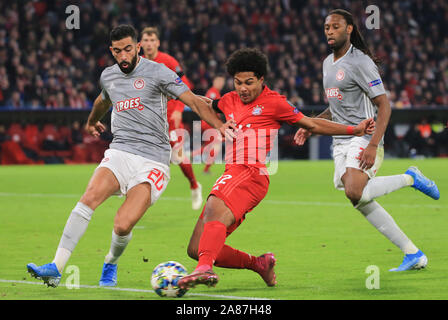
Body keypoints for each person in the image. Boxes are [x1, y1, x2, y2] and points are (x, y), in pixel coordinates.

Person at [26, 25, 234, 288]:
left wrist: (219, 125)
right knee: (88, 198)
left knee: (122, 225)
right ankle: (56, 267)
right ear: (111, 51)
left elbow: (193, 101)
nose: (123, 56)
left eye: (127, 49)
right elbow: (102, 101)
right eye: (117, 51)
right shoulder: (109, 76)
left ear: (137, 47)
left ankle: (110, 262)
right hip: (120, 151)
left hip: (154, 160)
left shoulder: (158, 71)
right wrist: (92, 122)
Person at [177, 48, 375, 290]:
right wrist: (177, 92)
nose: (243, 88)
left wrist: (354, 129)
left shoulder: (275, 103)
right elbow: (205, 103)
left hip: (252, 173)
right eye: (238, 82)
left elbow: (311, 123)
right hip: (235, 172)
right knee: (197, 248)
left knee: (213, 206)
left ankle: (204, 269)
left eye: (249, 82)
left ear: (261, 79)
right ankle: (259, 264)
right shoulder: (229, 100)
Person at [294, 9, 440, 272]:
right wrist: (311, 125)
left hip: (364, 134)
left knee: (354, 190)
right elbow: (336, 108)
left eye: (335, 27)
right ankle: (413, 253)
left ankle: (411, 178)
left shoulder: (360, 62)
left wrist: (373, 144)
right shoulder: (327, 64)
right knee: (357, 198)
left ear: (349, 29)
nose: (329, 31)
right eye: (327, 27)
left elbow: (384, 106)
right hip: (340, 140)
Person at [140, 27, 203, 210]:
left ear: (158, 43)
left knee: (177, 155)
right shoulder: (139, 63)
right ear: (141, 44)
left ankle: (194, 185)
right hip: (150, 118)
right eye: (146, 40)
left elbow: (185, 85)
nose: (149, 43)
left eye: (152, 40)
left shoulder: (168, 61)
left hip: (170, 116)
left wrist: (178, 108)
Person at [201, 75, 226, 174]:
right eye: (219, 82)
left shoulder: (215, 92)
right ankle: (206, 169)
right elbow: (208, 107)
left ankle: (192, 153)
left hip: (210, 122)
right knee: (216, 146)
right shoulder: (212, 93)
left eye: (222, 82)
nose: (221, 84)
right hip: (210, 122)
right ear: (215, 82)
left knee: (210, 146)